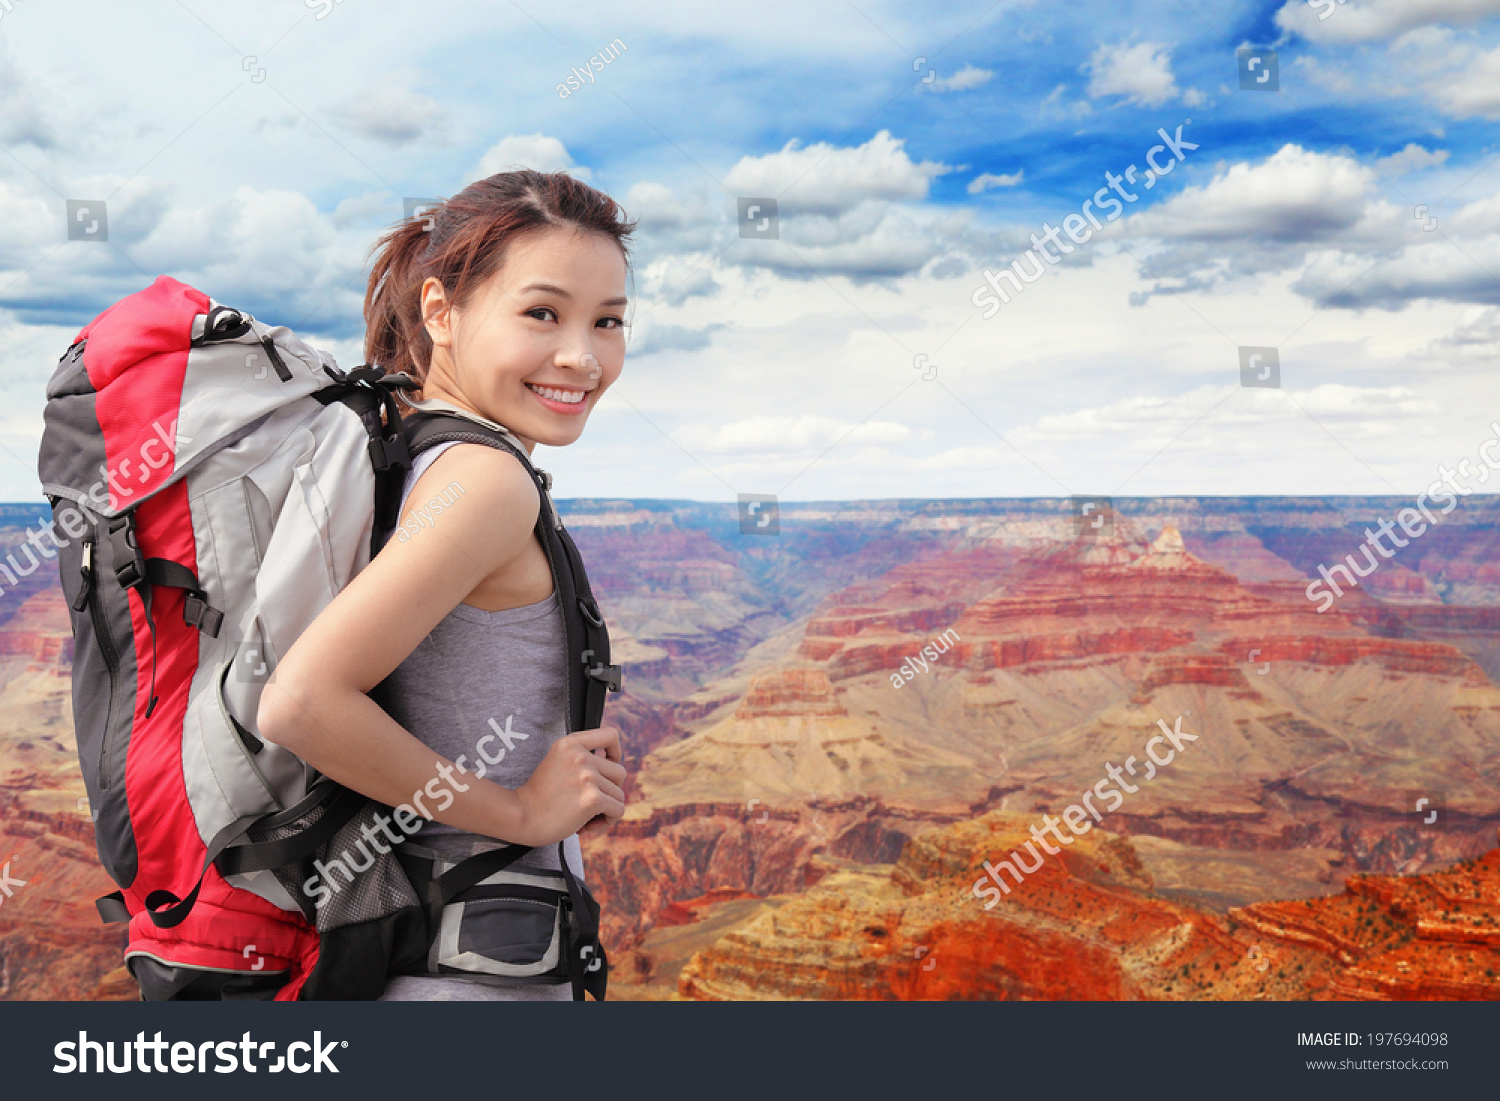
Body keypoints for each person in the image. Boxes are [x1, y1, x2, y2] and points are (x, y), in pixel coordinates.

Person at [257, 170, 633, 999]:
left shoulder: (413, 448)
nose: (583, 354)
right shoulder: (485, 482)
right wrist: (524, 815)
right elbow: (301, 701)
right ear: (440, 312)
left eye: (608, 321)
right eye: (543, 312)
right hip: (470, 977)